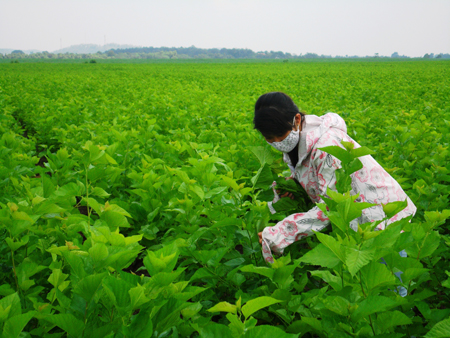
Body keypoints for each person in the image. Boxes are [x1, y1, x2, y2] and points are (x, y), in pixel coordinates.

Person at [253, 92, 416, 264]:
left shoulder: (326, 146)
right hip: (360, 221)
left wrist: (280, 234)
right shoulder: (298, 143)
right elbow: (318, 176)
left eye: (281, 134)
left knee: (390, 281)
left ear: (297, 120)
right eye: (270, 138)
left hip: (382, 219)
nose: (278, 141)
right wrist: (295, 184)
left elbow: (331, 206)